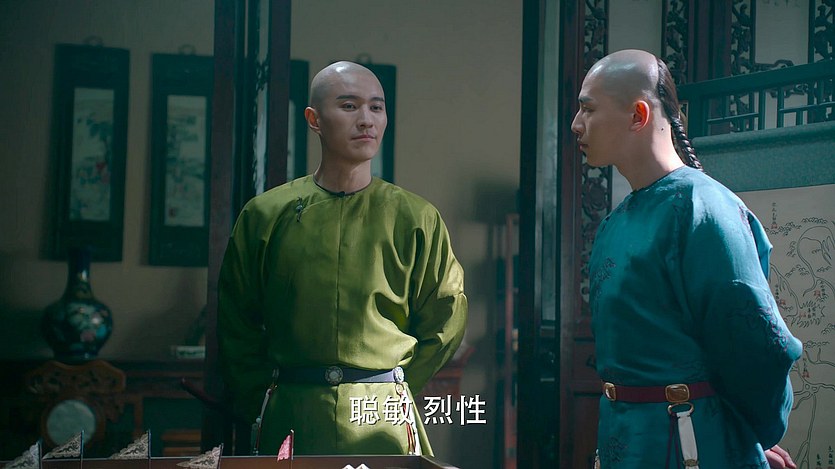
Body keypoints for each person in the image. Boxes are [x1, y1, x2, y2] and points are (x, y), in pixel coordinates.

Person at [217, 61, 468, 456]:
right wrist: (264, 398)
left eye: (376, 107)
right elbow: (237, 323)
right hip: (291, 411)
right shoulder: (264, 215)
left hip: (383, 416)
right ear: (314, 120)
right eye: (349, 106)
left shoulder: (417, 218)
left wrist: (395, 386)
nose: (366, 120)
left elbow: (446, 316)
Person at [572, 49, 802, 468]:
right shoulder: (614, 223)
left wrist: (742, 435)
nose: (576, 124)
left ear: (638, 115)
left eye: (588, 109)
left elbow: (757, 348)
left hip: (688, 442)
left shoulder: (704, 209)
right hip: (625, 439)